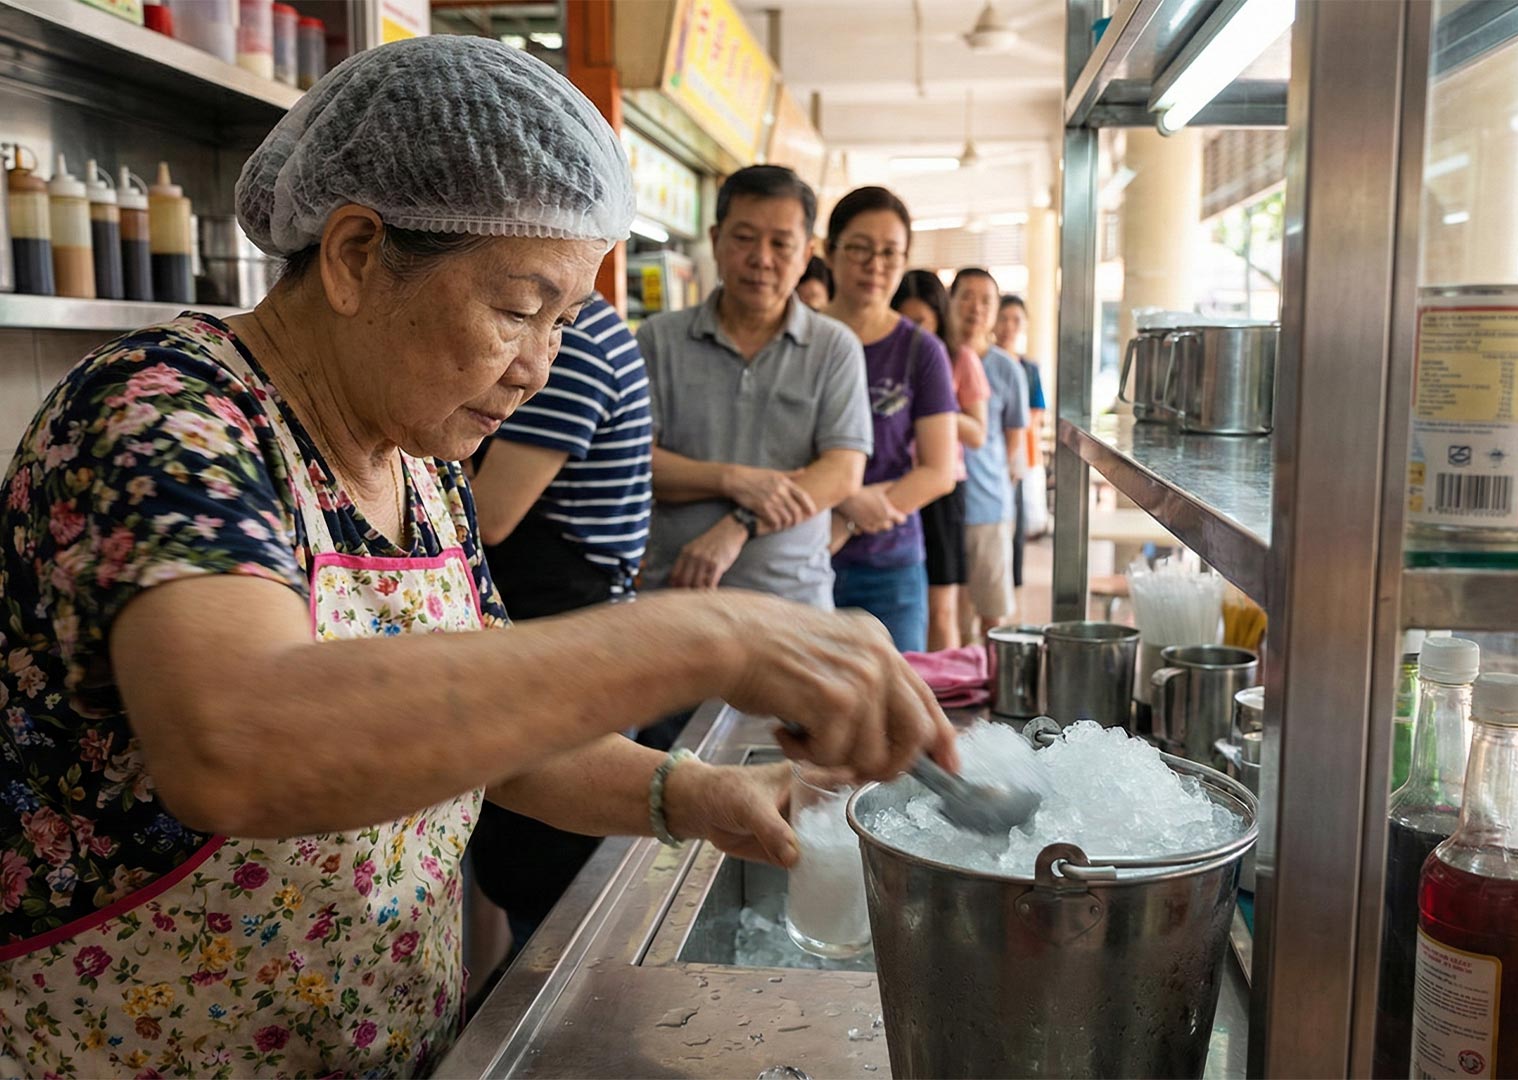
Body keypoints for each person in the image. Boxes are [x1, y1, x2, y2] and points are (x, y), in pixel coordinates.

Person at [0, 39, 953, 1078]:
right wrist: (703, 636)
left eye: (563, 321)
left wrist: (691, 794)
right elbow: (236, 740)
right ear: (358, 254)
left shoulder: (417, 461)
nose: (538, 368)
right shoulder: (165, 419)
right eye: (515, 309)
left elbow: (480, 733)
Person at [465, 293, 652, 953]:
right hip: (553, 627)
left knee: (550, 899)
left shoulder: (579, 346)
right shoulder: (587, 330)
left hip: (568, 637)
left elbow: (489, 516)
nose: (530, 370)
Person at [638, 166, 872, 610]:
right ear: (715, 240)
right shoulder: (658, 338)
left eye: (781, 244)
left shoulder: (834, 347)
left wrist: (739, 525)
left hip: (795, 604)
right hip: (676, 601)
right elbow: (636, 461)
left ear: (806, 254)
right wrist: (734, 480)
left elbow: (841, 472)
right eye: (744, 238)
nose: (762, 258)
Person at [820, 188, 956, 653]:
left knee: (896, 717)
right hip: (801, 559)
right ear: (829, 250)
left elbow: (939, 470)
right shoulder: (797, 338)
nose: (875, 264)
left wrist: (850, 517)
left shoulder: (922, 351)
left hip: (890, 570)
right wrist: (844, 503)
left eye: (890, 252)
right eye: (859, 248)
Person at [893, 269, 989, 650]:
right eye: (905, 321)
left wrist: (936, 405)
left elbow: (979, 433)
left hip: (944, 490)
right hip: (896, 483)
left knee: (941, 608)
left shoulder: (959, 358)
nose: (913, 332)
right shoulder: (886, 354)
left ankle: (940, 701)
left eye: (922, 324)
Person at [949, 268, 1028, 642]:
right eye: (966, 296)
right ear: (951, 301)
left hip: (988, 506)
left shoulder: (1007, 369)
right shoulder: (936, 355)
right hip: (940, 504)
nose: (976, 308)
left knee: (991, 615)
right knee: (949, 613)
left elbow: (1013, 442)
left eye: (986, 300)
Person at [993, 294, 1048, 584]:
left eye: (1016, 320)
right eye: (1003, 318)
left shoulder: (1029, 368)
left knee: (1017, 513)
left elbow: (1036, 412)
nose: (1009, 326)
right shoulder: (982, 360)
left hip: (1019, 451)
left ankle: (1013, 579)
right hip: (990, 448)